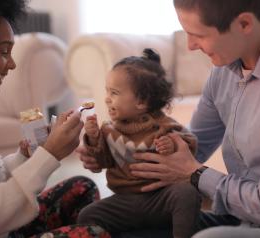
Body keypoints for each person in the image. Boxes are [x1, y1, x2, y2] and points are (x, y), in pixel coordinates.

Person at [82, 0, 260, 238]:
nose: (189, 45)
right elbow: (190, 147)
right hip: (241, 216)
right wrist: (110, 152)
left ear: (244, 24)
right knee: (117, 228)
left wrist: (196, 174)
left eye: (198, 34)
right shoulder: (225, 68)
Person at [0, 0, 110, 237]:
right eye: (3, 52)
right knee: (93, 233)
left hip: (1, 228)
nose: (12, 64)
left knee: (81, 187)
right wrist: (50, 155)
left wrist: (29, 155)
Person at [77, 48, 201, 238]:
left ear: (141, 102)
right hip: (125, 201)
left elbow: (189, 144)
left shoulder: (164, 126)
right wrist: (93, 139)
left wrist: (172, 145)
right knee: (87, 215)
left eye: (115, 93)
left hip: (161, 199)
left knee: (187, 194)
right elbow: (102, 162)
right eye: (107, 91)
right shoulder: (109, 130)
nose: (107, 98)